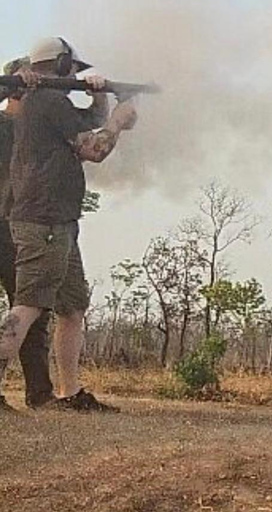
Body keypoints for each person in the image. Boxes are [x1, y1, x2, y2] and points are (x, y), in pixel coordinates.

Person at [0, 37, 137, 411]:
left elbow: (83, 123)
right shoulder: (44, 100)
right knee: (27, 306)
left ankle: (69, 392)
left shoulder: (46, 102)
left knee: (71, 306)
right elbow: (93, 149)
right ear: (60, 66)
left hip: (59, 219)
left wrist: (99, 97)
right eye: (71, 70)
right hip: (42, 220)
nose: (74, 75)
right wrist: (117, 121)